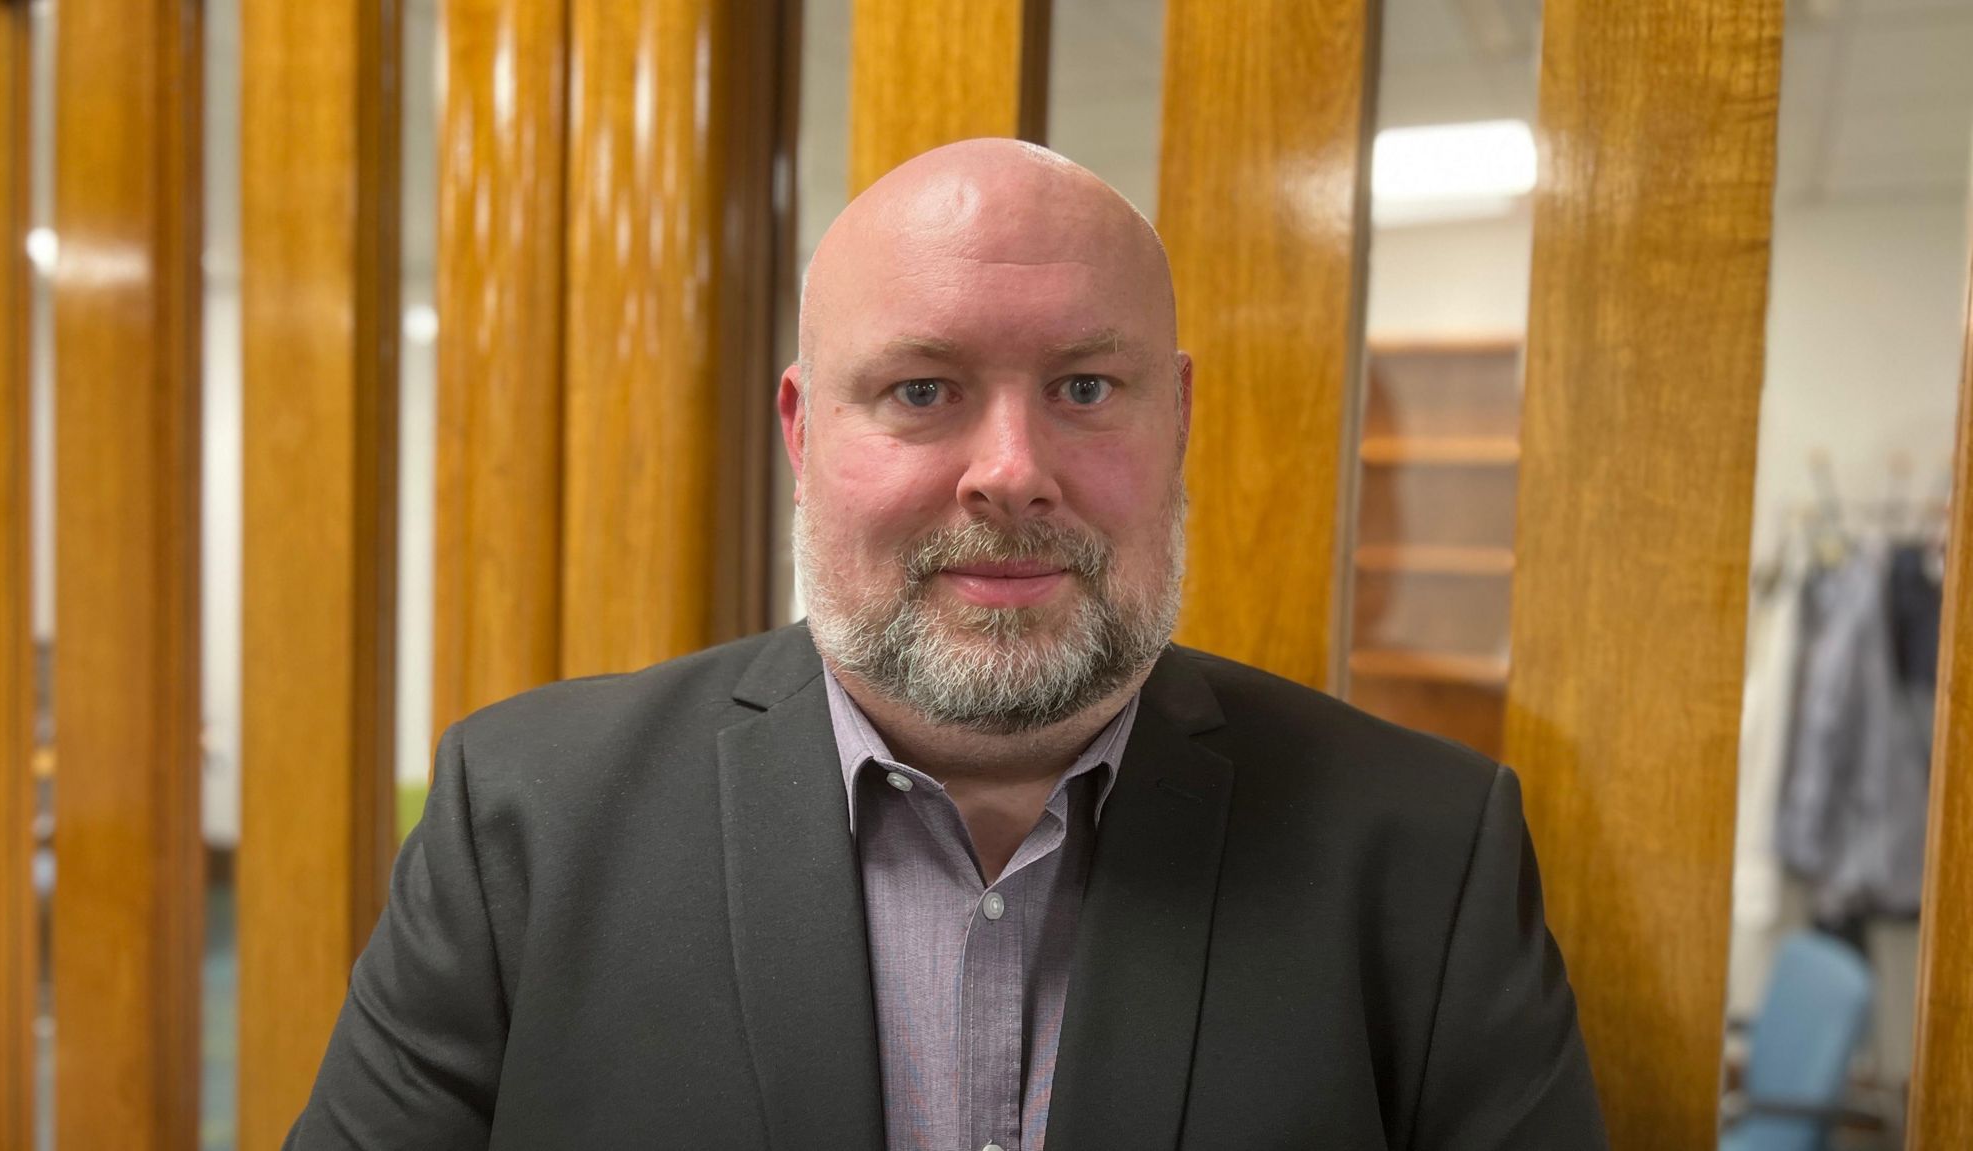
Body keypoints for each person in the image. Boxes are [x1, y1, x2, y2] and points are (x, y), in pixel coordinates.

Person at [287, 138, 1604, 1150]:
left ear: (1178, 421)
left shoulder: (1432, 857)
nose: (1013, 472)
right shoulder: (525, 819)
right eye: (924, 391)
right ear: (805, 433)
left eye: (1086, 389)